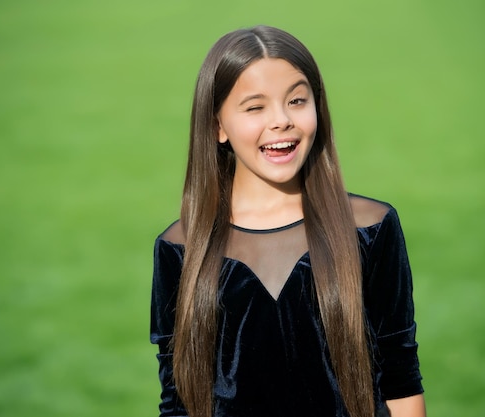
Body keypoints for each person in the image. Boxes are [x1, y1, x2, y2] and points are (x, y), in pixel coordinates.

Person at [150, 25, 425, 417]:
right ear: (218, 126)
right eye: (255, 106)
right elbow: (178, 401)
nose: (281, 120)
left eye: (297, 100)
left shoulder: (371, 229)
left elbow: (401, 379)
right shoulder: (181, 248)